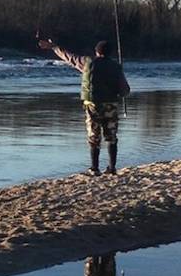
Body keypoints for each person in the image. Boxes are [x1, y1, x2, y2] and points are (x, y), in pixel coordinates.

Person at [38, 39, 130, 175]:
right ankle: (112, 168)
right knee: (111, 136)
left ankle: (94, 168)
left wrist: (54, 47)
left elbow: (69, 57)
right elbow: (125, 91)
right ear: (111, 53)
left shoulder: (87, 63)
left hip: (92, 106)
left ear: (97, 52)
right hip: (110, 105)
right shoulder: (116, 67)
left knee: (94, 137)